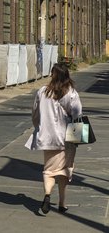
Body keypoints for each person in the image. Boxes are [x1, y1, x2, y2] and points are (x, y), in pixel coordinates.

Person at [25, 62, 82, 215]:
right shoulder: (71, 93)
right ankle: (62, 203)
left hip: (48, 137)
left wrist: (39, 128)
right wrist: (78, 138)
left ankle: (47, 195)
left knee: (49, 170)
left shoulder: (42, 92)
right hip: (67, 138)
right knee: (65, 170)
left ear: (52, 75)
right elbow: (77, 115)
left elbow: (35, 114)